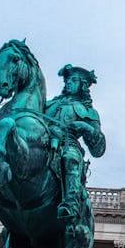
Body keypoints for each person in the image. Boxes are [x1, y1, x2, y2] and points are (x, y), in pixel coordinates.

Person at [46, 64, 106, 222]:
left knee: (70, 159)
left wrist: (85, 127)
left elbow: (98, 149)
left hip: (68, 144)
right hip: (42, 143)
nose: (68, 83)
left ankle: (70, 204)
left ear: (83, 86)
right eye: (67, 80)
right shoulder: (49, 105)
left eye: (73, 80)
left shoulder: (88, 112)